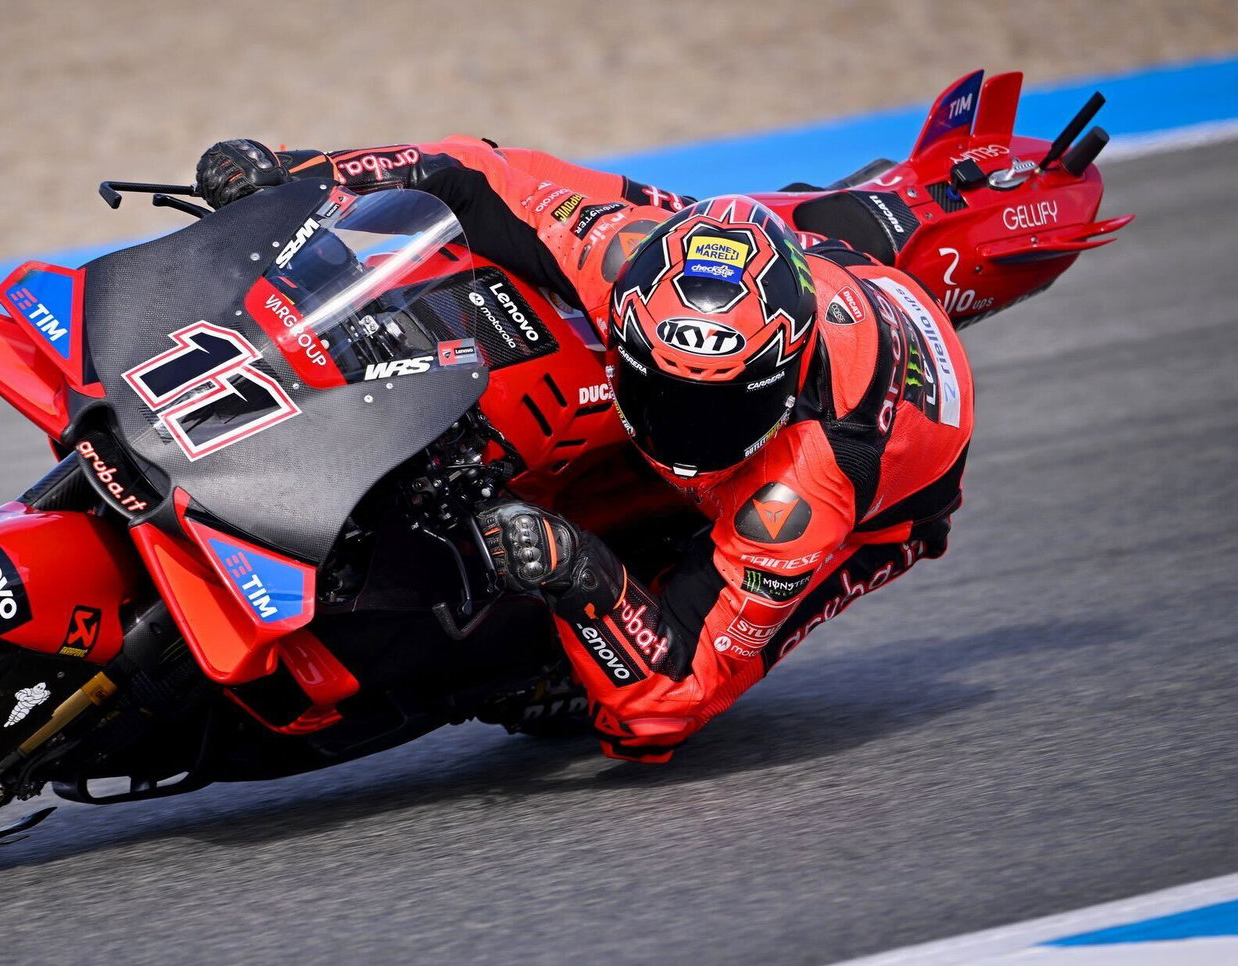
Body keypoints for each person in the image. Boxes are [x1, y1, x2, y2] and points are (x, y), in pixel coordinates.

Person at [194, 137, 974, 763]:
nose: (685, 428)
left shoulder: (808, 489)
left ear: (782, 376)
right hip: (817, 267)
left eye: (717, 407)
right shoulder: (617, 254)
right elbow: (468, 173)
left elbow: (671, 702)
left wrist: (579, 571)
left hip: (879, 504)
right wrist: (300, 172)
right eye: (663, 389)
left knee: (635, 694)